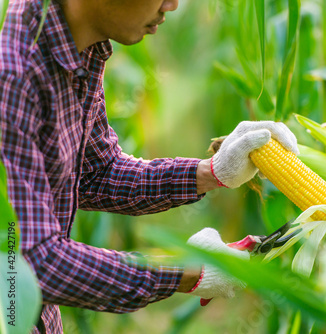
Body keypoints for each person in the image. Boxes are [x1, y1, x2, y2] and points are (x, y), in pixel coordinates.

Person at [0, 0, 299, 333]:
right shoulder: (13, 74)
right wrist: (187, 273)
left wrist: (213, 171)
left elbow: (96, 172)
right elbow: (29, 262)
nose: (171, 5)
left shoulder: (80, 47)